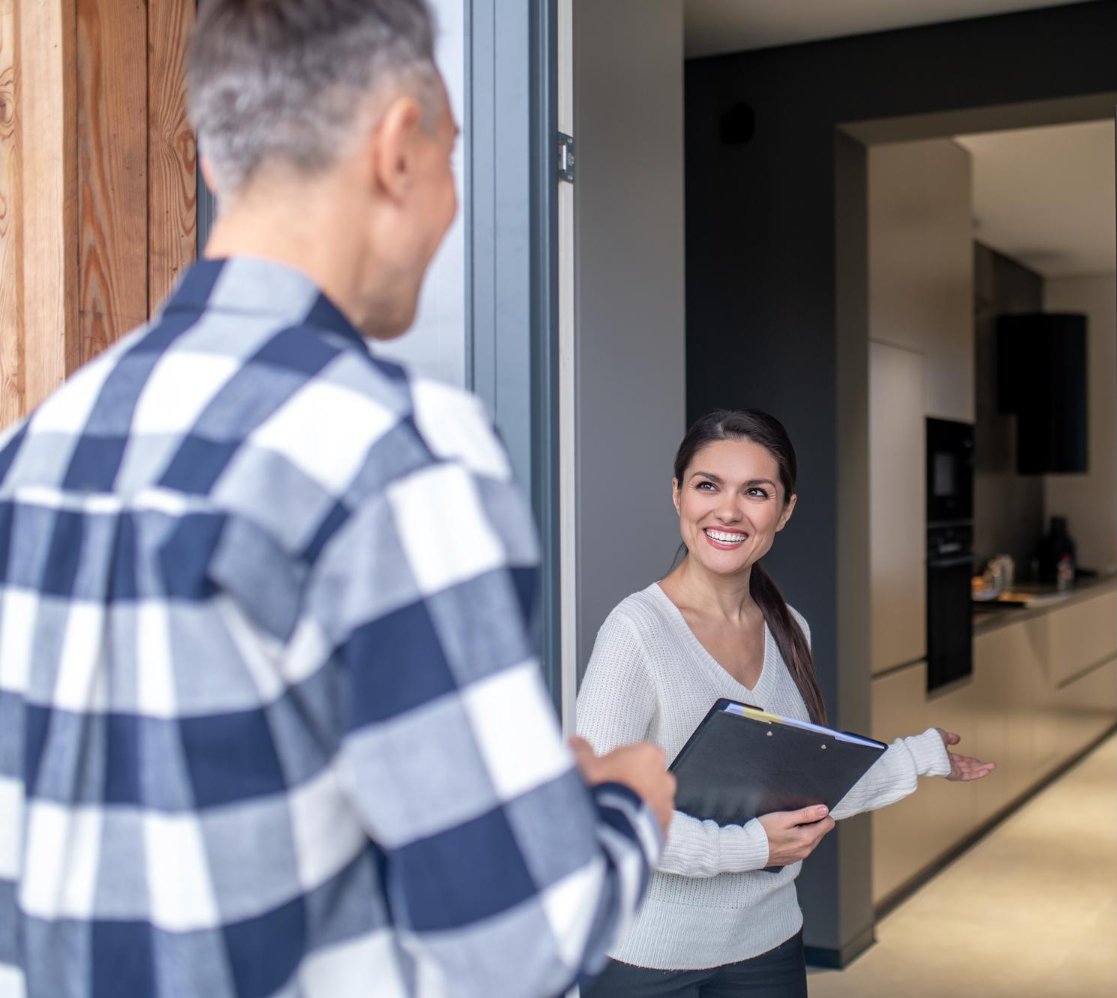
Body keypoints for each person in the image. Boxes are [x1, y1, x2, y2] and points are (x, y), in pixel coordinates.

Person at [0, 2, 674, 996]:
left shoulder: (38, 444)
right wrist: (626, 803)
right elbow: (524, 940)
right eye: (453, 155)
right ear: (401, 147)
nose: (454, 208)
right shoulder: (396, 453)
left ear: (224, 163)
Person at [575, 409, 995, 996]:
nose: (728, 510)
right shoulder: (637, 632)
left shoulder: (787, 627)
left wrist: (918, 758)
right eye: (707, 486)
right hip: (647, 957)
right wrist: (752, 846)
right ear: (677, 496)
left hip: (768, 944)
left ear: (785, 509)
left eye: (755, 492)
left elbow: (799, 790)